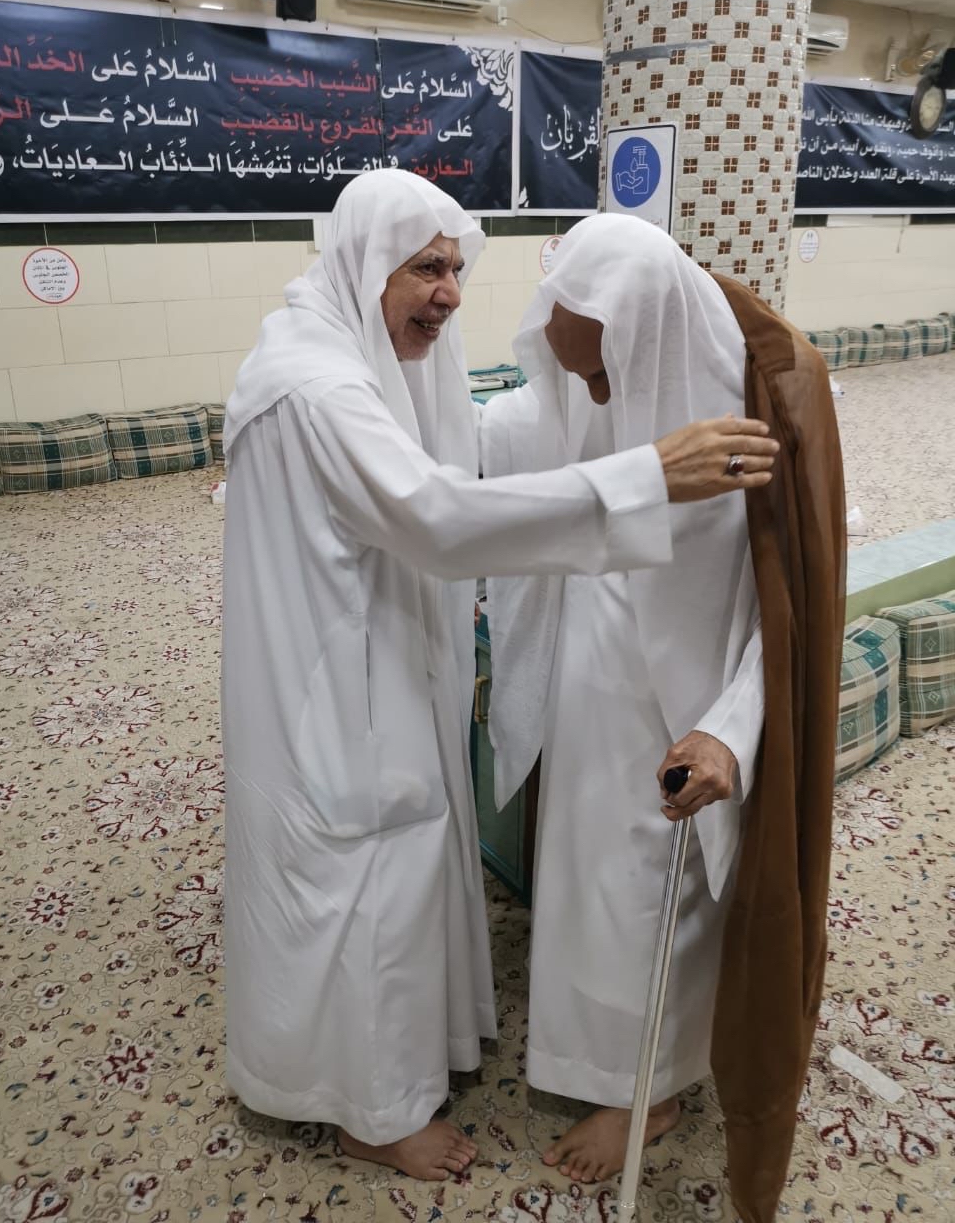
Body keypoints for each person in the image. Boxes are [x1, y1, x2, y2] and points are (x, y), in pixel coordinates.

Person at [220, 170, 779, 1183]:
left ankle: (628, 1083)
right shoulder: (322, 387)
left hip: (594, 720)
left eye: (456, 268)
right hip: (338, 689)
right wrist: (650, 472)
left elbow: (773, 622)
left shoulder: (326, 352)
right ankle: (368, 1108)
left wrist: (729, 725)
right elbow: (438, 509)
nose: (449, 292)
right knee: (365, 886)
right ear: (365, 261)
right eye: (424, 267)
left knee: (561, 892)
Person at [481, 213, 844, 1211]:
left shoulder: (764, 399)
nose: (594, 397)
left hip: (684, 711)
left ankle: (655, 1092)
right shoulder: (598, 372)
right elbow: (538, 441)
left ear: (644, 336)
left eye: (604, 376)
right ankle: (599, 1061)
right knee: (590, 888)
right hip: (591, 687)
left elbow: (787, 613)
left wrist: (730, 727)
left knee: (661, 902)